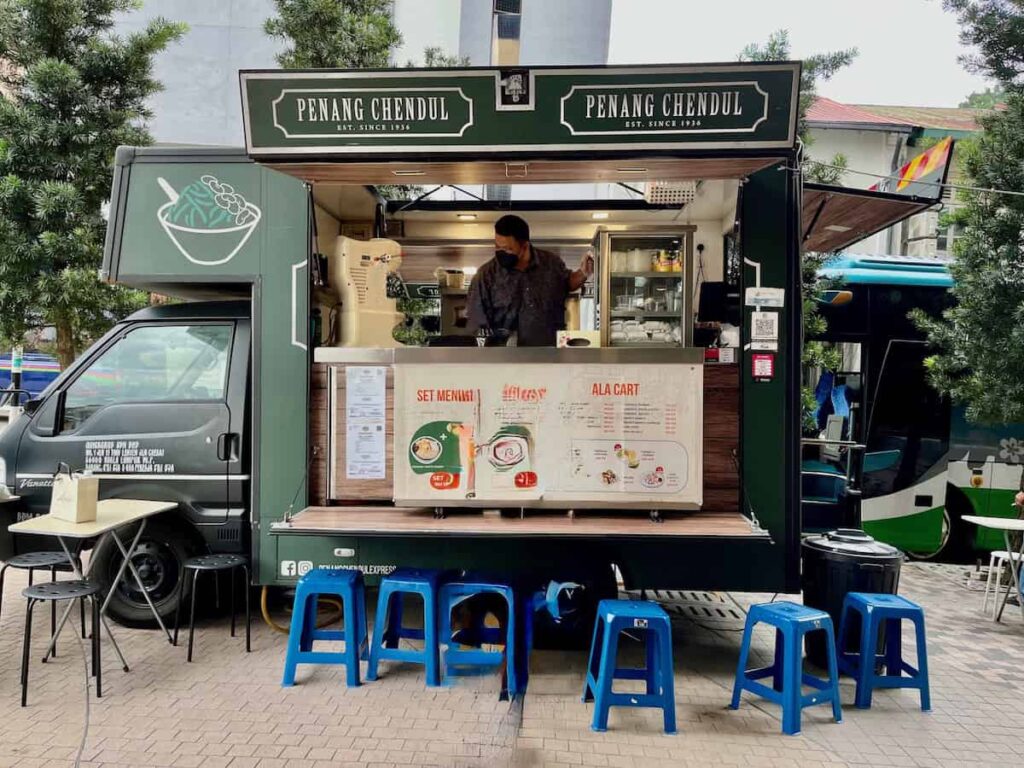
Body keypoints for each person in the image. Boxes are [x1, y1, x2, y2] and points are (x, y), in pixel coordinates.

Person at [466, 214, 593, 346]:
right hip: (502, 359)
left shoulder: (551, 264)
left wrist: (584, 273)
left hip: (548, 355)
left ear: (525, 246)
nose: (501, 253)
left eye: (507, 249)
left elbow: (567, 283)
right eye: (497, 247)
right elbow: (476, 322)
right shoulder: (486, 275)